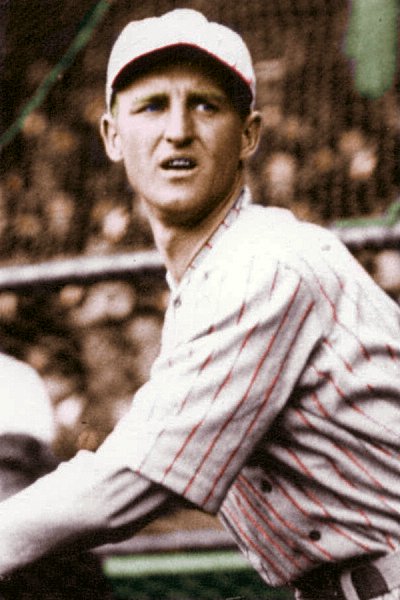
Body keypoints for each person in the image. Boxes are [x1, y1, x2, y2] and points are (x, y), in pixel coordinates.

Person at [1, 8, 400, 600]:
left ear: (249, 135)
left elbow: (130, 481)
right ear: (112, 136)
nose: (178, 130)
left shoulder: (265, 263)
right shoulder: (209, 280)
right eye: (152, 106)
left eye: (206, 106)